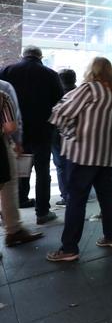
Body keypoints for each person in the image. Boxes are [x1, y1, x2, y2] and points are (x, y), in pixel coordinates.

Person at [46, 57, 112, 262]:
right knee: (107, 196)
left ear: (92, 70)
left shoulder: (89, 89)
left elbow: (60, 112)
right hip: (106, 155)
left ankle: (69, 248)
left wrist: (70, 134)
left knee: (76, 199)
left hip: (83, 154)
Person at [0, 45, 63, 223]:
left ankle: (20, 201)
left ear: (22, 55)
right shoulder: (50, 74)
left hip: (13, 129)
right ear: (40, 56)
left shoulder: (7, 70)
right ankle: (42, 211)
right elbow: (59, 102)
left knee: (17, 169)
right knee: (42, 170)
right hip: (42, 130)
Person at [0, 85, 43, 247]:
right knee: (8, 188)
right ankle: (13, 230)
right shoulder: (3, 91)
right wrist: (17, 142)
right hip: (1, 147)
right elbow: (11, 126)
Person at [51, 69, 76, 207]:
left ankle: (66, 195)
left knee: (60, 165)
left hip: (57, 135)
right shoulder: (80, 93)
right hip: (76, 136)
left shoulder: (56, 93)